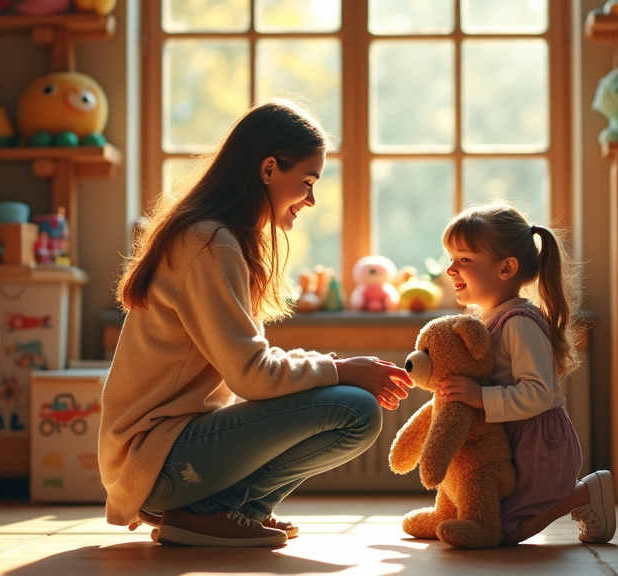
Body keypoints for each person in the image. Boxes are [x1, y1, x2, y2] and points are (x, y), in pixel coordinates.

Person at [98, 99, 412, 548]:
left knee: (354, 405)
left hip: (162, 455)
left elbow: (251, 362)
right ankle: (210, 511)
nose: (311, 200)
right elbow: (252, 376)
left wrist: (339, 368)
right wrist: (341, 370)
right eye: (307, 182)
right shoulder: (209, 242)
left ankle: (233, 510)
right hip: (154, 460)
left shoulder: (214, 236)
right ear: (268, 169)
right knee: (355, 410)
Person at [437, 199, 616, 546]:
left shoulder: (519, 323)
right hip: (510, 438)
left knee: (503, 531)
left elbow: (538, 393)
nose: (450, 270)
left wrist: (478, 397)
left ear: (506, 268)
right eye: (451, 259)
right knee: (481, 515)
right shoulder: (486, 319)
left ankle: (585, 493)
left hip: (536, 444)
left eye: (464, 260)